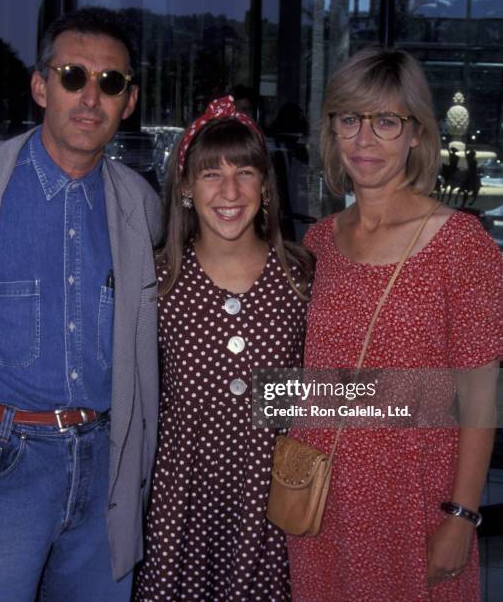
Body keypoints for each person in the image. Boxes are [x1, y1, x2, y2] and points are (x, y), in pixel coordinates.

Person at [0, 7, 161, 601]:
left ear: (130, 99)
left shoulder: (140, 205)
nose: (90, 96)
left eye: (110, 82)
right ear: (41, 86)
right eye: (73, 76)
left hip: (103, 465)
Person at [287, 47, 502, 601]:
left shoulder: (462, 246)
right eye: (350, 119)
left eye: (386, 121)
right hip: (322, 499)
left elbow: (480, 396)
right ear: (332, 129)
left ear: (415, 134)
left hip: (415, 503)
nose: (364, 140)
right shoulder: (319, 243)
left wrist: (463, 514)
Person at [135, 96, 313, 600]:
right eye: (211, 174)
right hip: (181, 494)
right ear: (187, 187)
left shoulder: (301, 275)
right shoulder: (159, 277)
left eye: (246, 172)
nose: (230, 190)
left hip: (270, 496)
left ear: (266, 186)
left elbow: (320, 389)